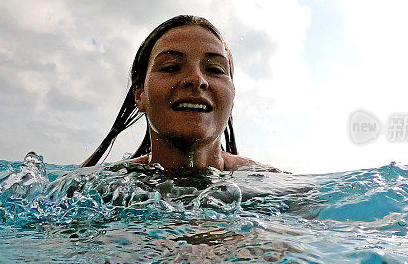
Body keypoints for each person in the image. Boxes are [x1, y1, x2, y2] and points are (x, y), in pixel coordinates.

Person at [82, 15, 271, 172]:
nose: (197, 80)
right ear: (140, 95)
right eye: (171, 67)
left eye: (214, 69)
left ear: (232, 97)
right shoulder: (90, 189)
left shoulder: (279, 188)